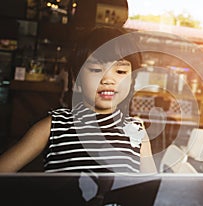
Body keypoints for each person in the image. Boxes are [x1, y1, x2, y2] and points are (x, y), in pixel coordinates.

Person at [0, 26, 157, 173]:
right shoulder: (54, 125)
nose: (108, 80)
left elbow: (152, 189)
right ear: (77, 79)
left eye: (121, 71)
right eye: (96, 69)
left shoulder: (137, 131)